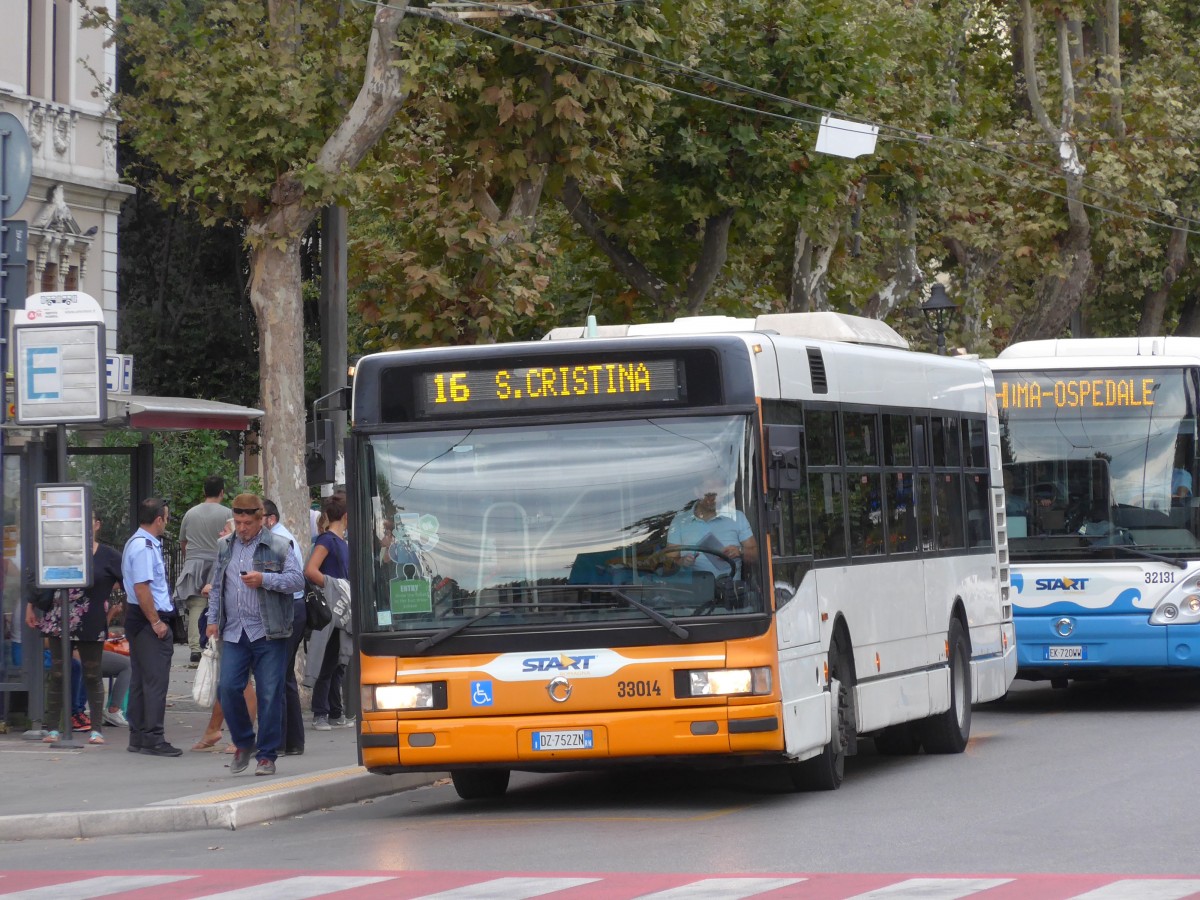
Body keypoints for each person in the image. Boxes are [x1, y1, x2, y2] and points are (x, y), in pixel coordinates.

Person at [205, 493, 304, 777]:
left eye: (247, 522)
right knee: (228, 688)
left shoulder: (279, 544)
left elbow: (297, 581)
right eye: (238, 522)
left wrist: (265, 579)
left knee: (270, 693)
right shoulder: (225, 546)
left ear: (261, 520)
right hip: (234, 631)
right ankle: (244, 743)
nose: (242, 528)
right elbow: (217, 585)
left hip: (268, 631)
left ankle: (267, 755)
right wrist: (212, 620)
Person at [25, 511, 124, 746]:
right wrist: (31, 606)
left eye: (88, 523)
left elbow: (129, 581)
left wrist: (117, 610)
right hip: (59, 618)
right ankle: (53, 728)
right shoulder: (61, 550)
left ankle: (96, 729)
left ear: (97, 525)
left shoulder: (109, 556)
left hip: (91, 621)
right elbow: (41, 578)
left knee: (92, 673)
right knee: (59, 673)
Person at [122, 497, 181, 757]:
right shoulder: (145, 547)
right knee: (155, 681)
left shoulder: (136, 543)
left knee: (140, 679)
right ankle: (153, 738)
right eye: (166, 518)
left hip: (137, 617)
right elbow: (142, 587)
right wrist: (156, 622)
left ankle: (139, 736)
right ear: (159, 519)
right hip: (148, 619)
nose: (166, 522)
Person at [304, 493, 353, 731]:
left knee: (338, 661)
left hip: (342, 607)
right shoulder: (328, 540)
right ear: (345, 516)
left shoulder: (341, 542)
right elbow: (310, 570)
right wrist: (334, 585)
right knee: (329, 659)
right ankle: (320, 712)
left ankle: (335, 711)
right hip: (331, 607)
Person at [263, 498, 307, 757]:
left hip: (286, 609)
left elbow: (290, 579)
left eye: (258, 518)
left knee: (275, 675)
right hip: (294, 609)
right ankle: (293, 740)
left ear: (270, 518)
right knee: (285, 675)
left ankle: (278, 741)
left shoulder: (278, 541)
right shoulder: (281, 537)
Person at [176, 475, 231, 664]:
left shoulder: (190, 513)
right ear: (222, 492)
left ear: (204, 491)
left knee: (196, 605)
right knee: (219, 603)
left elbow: (183, 541)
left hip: (194, 562)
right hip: (217, 561)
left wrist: (189, 558)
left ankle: (195, 648)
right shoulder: (227, 514)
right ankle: (213, 642)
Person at [666, 474, 757, 581]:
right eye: (710, 494)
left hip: (729, 591)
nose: (715, 499)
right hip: (690, 592)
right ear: (697, 492)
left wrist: (739, 551)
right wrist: (681, 561)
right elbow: (668, 564)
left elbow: (755, 554)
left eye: (719, 494)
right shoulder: (680, 521)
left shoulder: (737, 517)